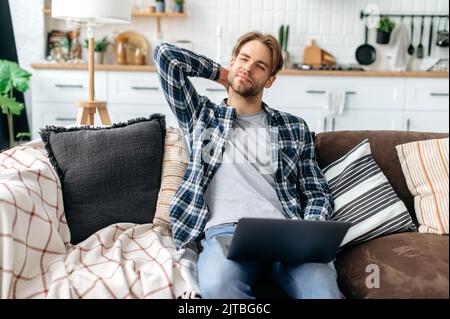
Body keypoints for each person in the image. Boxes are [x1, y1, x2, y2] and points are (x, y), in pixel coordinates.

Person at [154, 31, 341, 299]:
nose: (248, 69)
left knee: (323, 292)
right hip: (225, 234)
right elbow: (165, 56)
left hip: (287, 235)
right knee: (219, 287)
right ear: (233, 60)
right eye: (244, 59)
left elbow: (317, 192)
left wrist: (309, 232)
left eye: (260, 66)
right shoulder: (201, 116)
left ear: (271, 80)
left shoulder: (294, 127)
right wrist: (224, 75)